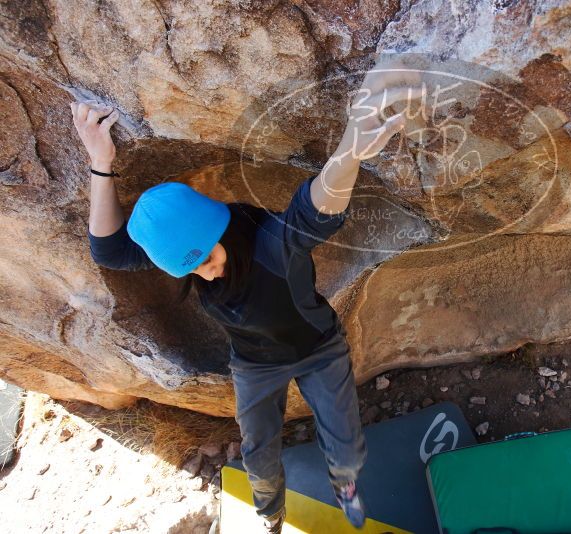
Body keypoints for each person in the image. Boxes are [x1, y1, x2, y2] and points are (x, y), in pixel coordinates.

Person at [71, 65, 423, 532]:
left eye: (207, 257)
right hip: (255, 364)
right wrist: (100, 160)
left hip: (319, 350)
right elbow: (109, 249)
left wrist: (349, 150)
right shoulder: (187, 252)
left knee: (345, 444)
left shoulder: (271, 243)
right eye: (190, 268)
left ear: (221, 229)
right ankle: (269, 510)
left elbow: (315, 207)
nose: (206, 272)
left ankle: (346, 485)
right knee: (258, 450)